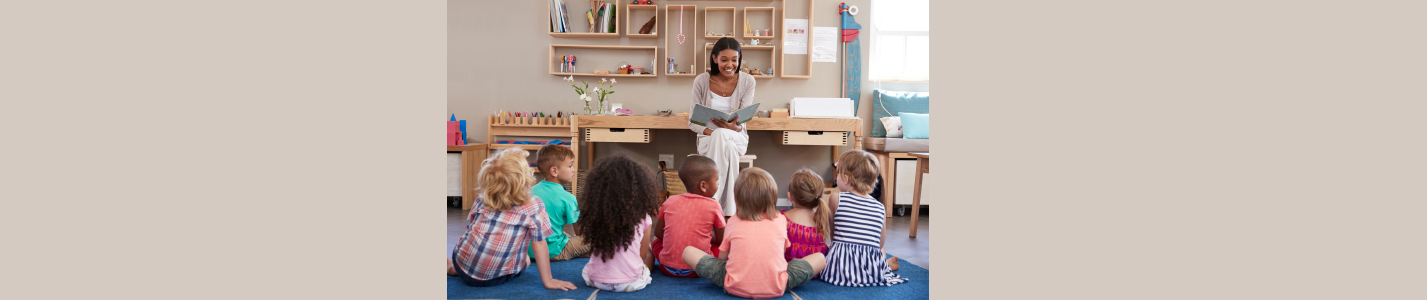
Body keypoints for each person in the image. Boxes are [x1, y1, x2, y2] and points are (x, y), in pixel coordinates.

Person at [681, 167, 826, 299]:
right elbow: (781, 254)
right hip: (777, 286)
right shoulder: (781, 219)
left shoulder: (733, 220)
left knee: (688, 251)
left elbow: (722, 260)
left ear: (737, 199)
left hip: (733, 285)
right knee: (820, 258)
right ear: (772, 198)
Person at [446, 147, 577, 290]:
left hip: (462, 264)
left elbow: (470, 227)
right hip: (497, 277)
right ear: (525, 179)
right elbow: (539, 244)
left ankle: (452, 268)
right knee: (526, 260)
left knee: (469, 255)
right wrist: (549, 280)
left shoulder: (482, 199)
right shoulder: (534, 205)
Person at [689, 37, 758, 217]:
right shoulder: (702, 81)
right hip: (709, 140)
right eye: (724, 60)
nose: (730, 64)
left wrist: (731, 128)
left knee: (725, 138)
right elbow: (692, 123)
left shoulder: (748, 81)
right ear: (714, 59)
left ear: (739, 58)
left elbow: (742, 124)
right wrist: (716, 132)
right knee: (725, 144)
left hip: (737, 137)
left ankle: (710, 203)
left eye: (734, 60)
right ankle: (730, 212)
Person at [820, 150, 908, 286]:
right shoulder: (880, 207)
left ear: (846, 178)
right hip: (869, 273)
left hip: (838, 270)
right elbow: (879, 244)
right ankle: (883, 265)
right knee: (881, 251)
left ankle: (880, 265)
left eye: (838, 174)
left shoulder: (836, 198)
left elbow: (832, 234)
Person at [578, 154, 660, 292]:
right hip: (631, 283)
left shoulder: (593, 215)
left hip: (595, 281)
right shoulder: (644, 217)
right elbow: (642, 255)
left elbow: (582, 235)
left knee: (588, 268)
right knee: (649, 255)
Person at [651, 155, 727, 278]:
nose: (718, 183)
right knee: (722, 247)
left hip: (666, 268)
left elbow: (659, 234)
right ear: (703, 185)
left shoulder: (669, 201)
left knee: (655, 241)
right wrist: (707, 237)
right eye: (717, 180)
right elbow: (722, 240)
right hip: (697, 269)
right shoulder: (714, 205)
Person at [528, 144, 590, 261]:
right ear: (554, 171)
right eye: (570, 166)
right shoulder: (568, 198)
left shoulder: (530, 191)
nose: (574, 170)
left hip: (528, 250)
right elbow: (580, 232)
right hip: (552, 252)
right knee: (597, 240)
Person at [780, 169, 832, 262]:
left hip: (790, 273)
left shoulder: (782, 220)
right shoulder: (821, 219)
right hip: (816, 273)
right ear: (820, 197)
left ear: (790, 196)